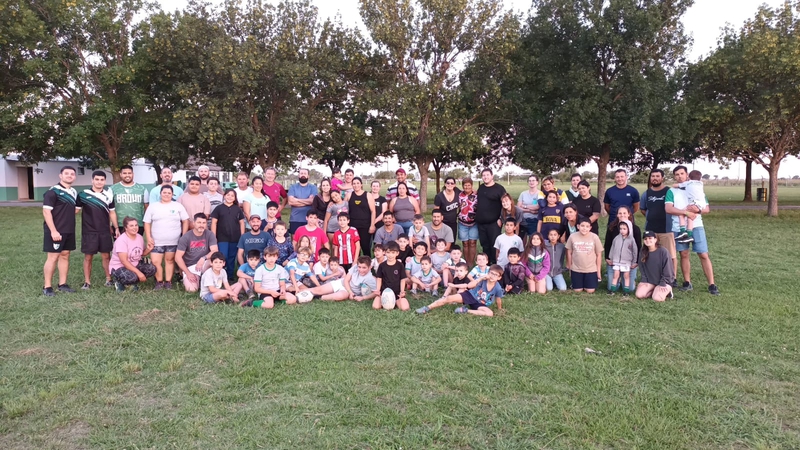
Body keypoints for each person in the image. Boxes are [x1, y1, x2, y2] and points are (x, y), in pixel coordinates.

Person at [665, 165, 719, 295]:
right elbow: (668, 209)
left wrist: (697, 210)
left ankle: (712, 284)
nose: (679, 176)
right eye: (676, 174)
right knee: (684, 254)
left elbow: (706, 209)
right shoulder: (672, 191)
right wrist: (685, 213)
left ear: (687, 175)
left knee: (703, 254)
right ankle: (687, 282)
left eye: (681, 173)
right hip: (679, 226)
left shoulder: (696, 188)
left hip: (697, 226)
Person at [77, 170, 118, 289]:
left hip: (104, 230)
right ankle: (87, 282)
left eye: (102, 180)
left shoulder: (109, 195)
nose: (99, 182)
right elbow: (75, 210)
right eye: (97, 179)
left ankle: (108, 279)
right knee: (88, 257)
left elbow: (112, 213)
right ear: (92, 180)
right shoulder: (83, 194)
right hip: (89, 231)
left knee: (106, 256)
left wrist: (116, 228)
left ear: (105, 181)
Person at [143, 185, 189, 290]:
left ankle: (168, 282)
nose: (166, 194)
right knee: (155, 262)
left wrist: (184, 235)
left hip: (173, 240)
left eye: (169, 193)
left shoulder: (178, 206)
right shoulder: (153, 206)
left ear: (172, 194)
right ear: (160, 194)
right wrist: (149, 237)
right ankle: (159, 282)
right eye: (164, 192)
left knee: (170, 260)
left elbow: (185, 220)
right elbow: (147, 222)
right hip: (156, 240)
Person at [42, 166, 79, 296]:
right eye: (66, 173)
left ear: (74, 177)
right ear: (60, 175)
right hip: (55, 231)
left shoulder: (74, 192)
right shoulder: (53, 192)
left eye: (72, 174)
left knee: (65, 255)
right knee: (53, 257)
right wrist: (53, 231)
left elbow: (74, 210)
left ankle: (62, 284)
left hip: (69, 230)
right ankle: (47, 287)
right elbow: (46, 212)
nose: (69, 176)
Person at [415, 264, 504, 317]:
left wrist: (500, 309)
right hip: (470, 295)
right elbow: (469, 286)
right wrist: (480, 279)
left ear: (499, 277)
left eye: (496, 275)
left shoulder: (498, 288)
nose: (492, 276)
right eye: (491, 273)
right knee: (448, 299)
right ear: (488, 273)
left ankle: (465, 310)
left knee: (490, 313)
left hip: (481, 304)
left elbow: (498, 299)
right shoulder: (483, 280)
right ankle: (427, 308)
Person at [639, 169, 677, 282]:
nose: (655, 178)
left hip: (667, 229)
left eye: (657, 176)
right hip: (651, 230)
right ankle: (652, 277)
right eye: (653, 176)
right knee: (650, 254)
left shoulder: (669, 191)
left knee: (671, 255)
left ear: (662, 178)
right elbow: (642, 209)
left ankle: (672, 278)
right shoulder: (646, 193)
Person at [299, 256, 379, 302]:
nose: (361, 270)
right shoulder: (355, 267)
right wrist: (350, 291)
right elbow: (346, 279)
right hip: (342, 283)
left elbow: (375, 293)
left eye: (364, 268)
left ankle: (317, 297)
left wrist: (362, 297)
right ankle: (297, 292)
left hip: (347, 292)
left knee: (340, 296)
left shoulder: (370, 279)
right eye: (359, 267)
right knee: (319, 289)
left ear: (370, 267)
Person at [109, 216, 157, 292]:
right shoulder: (122, 240)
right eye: (131, 226)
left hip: (134, 264)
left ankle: (131, 283)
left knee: (152, 269)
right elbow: (124, 261)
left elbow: (141, 254)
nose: (135, 228)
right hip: (119, 266)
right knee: (132, 277)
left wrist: (149, 249)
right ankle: (119, 282)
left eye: (136, 225)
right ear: (126, 228)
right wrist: (139, 273)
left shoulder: (139, 237)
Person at [175, 213, 219, 292]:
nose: (201, 225)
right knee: (192, 290)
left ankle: (207, 279)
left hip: (204, 263)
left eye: (204, 223)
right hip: (190, 267)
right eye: (199, 223)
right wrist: (188, 273)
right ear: (193, 223)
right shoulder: (186, 237)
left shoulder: (209, 234)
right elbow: (178, 257)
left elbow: (215, 251)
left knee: (214, 261)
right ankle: (198, 280)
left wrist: (203, 258)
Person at [603, 206, 642, 292]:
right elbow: (608, 244)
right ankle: (617, 280)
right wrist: (607, 258)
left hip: (628, 262)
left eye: (624, 213)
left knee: (630, 289)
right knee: (611, 287)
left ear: (629, 214)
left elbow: (638, 247)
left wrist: (636, 262)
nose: (622, 215)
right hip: (615, 261)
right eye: (620, 213)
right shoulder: (612, 228)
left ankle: (630, 280)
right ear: (617, 215)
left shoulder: (635, 229)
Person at [210, 188, 246, 280]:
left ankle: (230, 275)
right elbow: (214, 222)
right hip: (222, 237)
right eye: (228, 195)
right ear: (224, 196)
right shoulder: (219, 208)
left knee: (232, 257)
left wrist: (242, 236)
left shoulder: (237, 209)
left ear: (235, 198)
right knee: (223, 255)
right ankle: (221, 274)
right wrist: (213, 236)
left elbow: (242, 223)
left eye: (232, 196)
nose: (230, 197)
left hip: (235, 237)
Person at [565, 217, 603, 294]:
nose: (584, 228)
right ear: (578, 226)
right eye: (582, 226)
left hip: (591, 269)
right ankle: (576, 283)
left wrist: (598, 271)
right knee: (577, 290)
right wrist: (570, 267)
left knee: (590, 290)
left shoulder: (594, 237)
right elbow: (569, 252)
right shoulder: (572, 236)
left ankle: (589, 282)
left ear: (590, 228)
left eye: (587, 226)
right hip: (576, 269)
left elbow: (599, 254)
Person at [476, 168, 506, 265]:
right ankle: (486, 264)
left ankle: (495, 264)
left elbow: (505, 205)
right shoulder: (481, 188)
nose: (485, 177)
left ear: (492, 176)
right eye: (483, 175)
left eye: (487, 175)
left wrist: (501, 218)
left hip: (494, 223)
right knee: (485, 245)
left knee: (494, 245)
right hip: (481, 223)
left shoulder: (499, 189)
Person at [635, 231, 676, 302]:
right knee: (639, 295)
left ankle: (668, 291)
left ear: (655, 239)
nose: (648, 240)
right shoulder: (643, 251)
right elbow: (641, 267)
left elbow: (668, 269)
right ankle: (654, 289)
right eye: (645, 239)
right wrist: (644, 280)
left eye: (650, 238)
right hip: (650, 281)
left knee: (657, 298)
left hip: (664, 281)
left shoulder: (663, 251)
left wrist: (663, 282)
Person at [111, 164, 148, 236]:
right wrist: (114, 226)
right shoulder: (113, 189)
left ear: (133, 174)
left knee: (136, 246)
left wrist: (145, 224)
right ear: (120, 174)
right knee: (120, 246)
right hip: (120, 225)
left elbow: (147, 207)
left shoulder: (142, 189)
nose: (127, 175)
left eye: (129, 173)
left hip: (137, 225)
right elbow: (110, 210)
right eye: (124, 173)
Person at [373, 241, 410, 311]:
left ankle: (395, 301)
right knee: (375, 307)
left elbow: (402, 279)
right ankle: (385, 301)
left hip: (397, 293)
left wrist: (402, 291)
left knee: (405, 308)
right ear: (385, 253)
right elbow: (379, 279)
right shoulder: (382, 265)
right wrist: (378, 290)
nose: (390, 255)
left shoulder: (400, 265)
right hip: (384, 292)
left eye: (393, 253)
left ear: (397, 253)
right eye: (388, 252)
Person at [345, 177, 376, 255]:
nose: (356, 185)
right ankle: (355, 265)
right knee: (353, 248)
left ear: (361, 184)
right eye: (354, 184)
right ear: (352, 185)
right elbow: (342, 206)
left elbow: (373, 211)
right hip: (352, 226)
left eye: (358, 183)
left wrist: (372, 225)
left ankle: (367, 265)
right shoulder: (349, 195)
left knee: (365, 247)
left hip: (365, 226)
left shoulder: (368, 195)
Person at [674, 169, 707, 243]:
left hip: (694, 203)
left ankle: (684, 233)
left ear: (688, 176)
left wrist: (674, 185)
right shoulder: (700, 183)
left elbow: (677, 185)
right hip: (701, 204)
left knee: (681, 214)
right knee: (690, 217)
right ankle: (689, 235)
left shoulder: (689, 183)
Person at [607, 220, 637, 296]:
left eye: (624, 229)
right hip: (617, 261)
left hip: (626, 262)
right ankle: (612, 291)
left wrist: (634, 261)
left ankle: (626, 291)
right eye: (621, 229)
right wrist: (611, 258)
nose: (622, 231)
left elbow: (634, 251)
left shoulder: (631, 240)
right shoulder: (617, 238)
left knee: (626, 276)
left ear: (629, 229)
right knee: (615, 275)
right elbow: (612, 248)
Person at [287, 168, 318, 234]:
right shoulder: (293, 187)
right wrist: (307, 201)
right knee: (295, 241)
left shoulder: (313, 187)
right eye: (301, 173)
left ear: (308, 176)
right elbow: (290, 202)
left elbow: (312, 201)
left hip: (309, 219)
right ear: (298, 175)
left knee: (308, 241)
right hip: (295, 218)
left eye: (305, 173)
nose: (303, 175)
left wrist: (297, 199)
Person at [457, 177, 479, 265]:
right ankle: (466, 262)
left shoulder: (477, 195)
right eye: (465, 185)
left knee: (473, 242)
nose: (467, 187)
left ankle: (471, 262)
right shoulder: (459, 195)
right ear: (462, 186)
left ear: (472, 185)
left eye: (469, 185)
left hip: (474, 223)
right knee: (465, 243)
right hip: (463, 223)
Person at [518, 174, 543, 241]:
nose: (531, 182)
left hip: (535, 220)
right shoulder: (523, 194)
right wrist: (530, 211)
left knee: (533, 240)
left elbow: (537, 207)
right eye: (529, 181)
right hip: (523, 220)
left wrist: (525, 206)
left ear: (537, 182)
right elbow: (518, 207)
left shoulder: (540, 194)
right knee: (522, 240)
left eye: (533, 180)